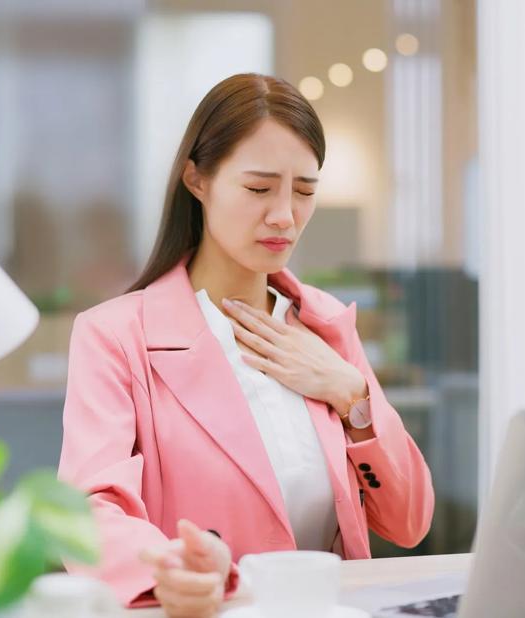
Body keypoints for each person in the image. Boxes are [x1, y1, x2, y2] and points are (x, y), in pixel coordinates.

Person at [58, 73, 434, 617]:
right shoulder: (115, 336)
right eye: (259, 189)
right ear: (197, 180)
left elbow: (409, 518)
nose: (285, 215)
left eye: (304, 191)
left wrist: (353, 398)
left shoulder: (325, 326)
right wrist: (179, 571)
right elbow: (89, 515)